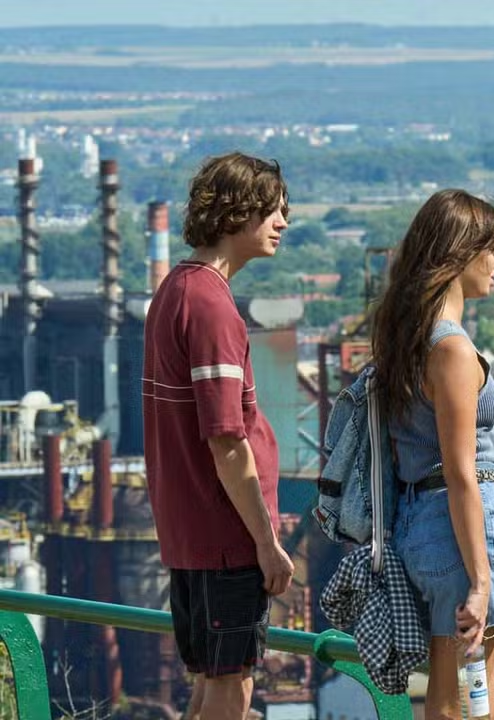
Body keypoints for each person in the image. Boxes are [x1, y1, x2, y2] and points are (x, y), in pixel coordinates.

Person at [142, 152, 296, 720]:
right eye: (274, 210)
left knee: (211, 684)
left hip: (189, 530)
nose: (283, 222)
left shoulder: (174, 291)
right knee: (233, 690)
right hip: (223, 533)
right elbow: (226, 439)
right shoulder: (211, 308)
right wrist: (264, 539)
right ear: (237, 212)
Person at [370, 189, 494, 720]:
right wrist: (481, 582)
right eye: (492, 250)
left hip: (423, 526)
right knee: (481, 701)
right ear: (460, 253)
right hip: (461, 531)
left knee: (450, 695)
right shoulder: (451, 348)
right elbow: (460, 473)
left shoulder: (407, 336)